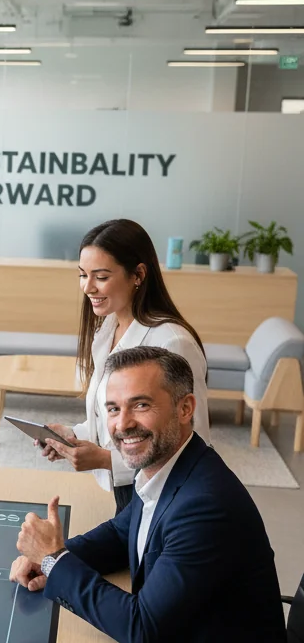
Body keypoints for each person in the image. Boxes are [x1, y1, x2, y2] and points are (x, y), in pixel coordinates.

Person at [11, 346, 291, 643]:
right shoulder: (173, 466)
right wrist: (53, 557)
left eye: (141, 405)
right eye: (113, 409)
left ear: (185, 408)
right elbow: (125, 530)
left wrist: (56, 558)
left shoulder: (205, 503)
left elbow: (141, 629)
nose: (122, 425)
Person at [42, 219, 210, 513]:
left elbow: (196, 445)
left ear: (138, 275)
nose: (88, 287)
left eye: (101, 276)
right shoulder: (106, 330)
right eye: (83, 275)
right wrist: (72, 436)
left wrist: (106, 460)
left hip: (160, 497)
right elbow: (114, 421)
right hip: (122, 491)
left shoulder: (172, 342)